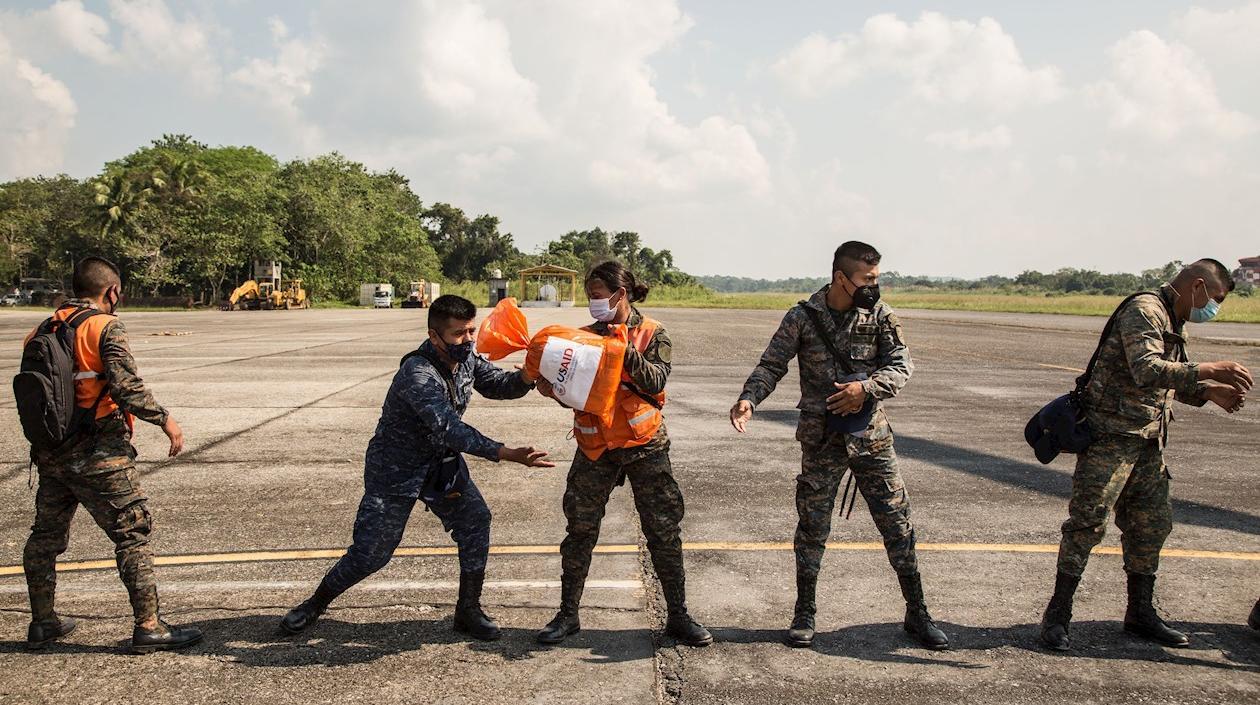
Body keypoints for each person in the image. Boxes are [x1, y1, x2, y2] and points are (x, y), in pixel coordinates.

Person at [280, 295, 554, 640]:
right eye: (458, 334)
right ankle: (315, 603)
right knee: (372, 553)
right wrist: (504, 452)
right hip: (397, 468)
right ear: (434, 335)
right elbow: (450, 428)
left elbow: (499, 386)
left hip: (440, 465)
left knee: (474, 520)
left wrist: (529, 374)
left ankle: (468, 609)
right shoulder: (418, 373)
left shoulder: (468, 357)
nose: (468, 339)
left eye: (471, 330)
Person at [730, 241, 949, 650]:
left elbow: (901, 365)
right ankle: (805, 612)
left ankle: (917, 613)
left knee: (897, 525)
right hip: (822, 441)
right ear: (840, 278)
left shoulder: (881, 316)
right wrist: (749, 398)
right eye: (867, 280)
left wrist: (865, 388)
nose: (873, 287)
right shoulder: (803, 317)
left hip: (871, 439)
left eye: (876, 279)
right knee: (812, 527)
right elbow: (772, 363)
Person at [1039, 259, 1251, 651]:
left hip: (1148, 442)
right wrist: (1208, 370)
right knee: (1087, 525)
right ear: (1198, 287)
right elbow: (1146, 368)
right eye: (1215, 300)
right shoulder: (1145, 310)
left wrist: (1206, 392)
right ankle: (1057, 616)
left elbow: (1164, 381)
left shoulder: (1173, 316)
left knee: (1150, 527)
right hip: (1112, 439)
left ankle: (1139, 614)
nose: (1214, 309)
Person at [22, 256, 200, 653]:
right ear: (112, 291)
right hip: (101, 452)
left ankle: (43, 622)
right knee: (131, 534)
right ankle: (149, 625)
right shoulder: (104, 326)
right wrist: (165, 420)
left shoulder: (40, 329)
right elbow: (125, 387)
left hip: (52, 453)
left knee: (45, 537)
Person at [535, 261, 712, 647]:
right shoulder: (580, 337)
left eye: (599, 297)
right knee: (580, 531)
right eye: (590, 298)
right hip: (596, 445)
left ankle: (678, 616)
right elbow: (576, 393)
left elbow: (656, 380)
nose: (593, 305)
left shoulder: (652, 332)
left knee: (663, 531)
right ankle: (567, 615)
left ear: (621, 294)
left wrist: (623, 351)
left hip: (643, 445)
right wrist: (555, 390)